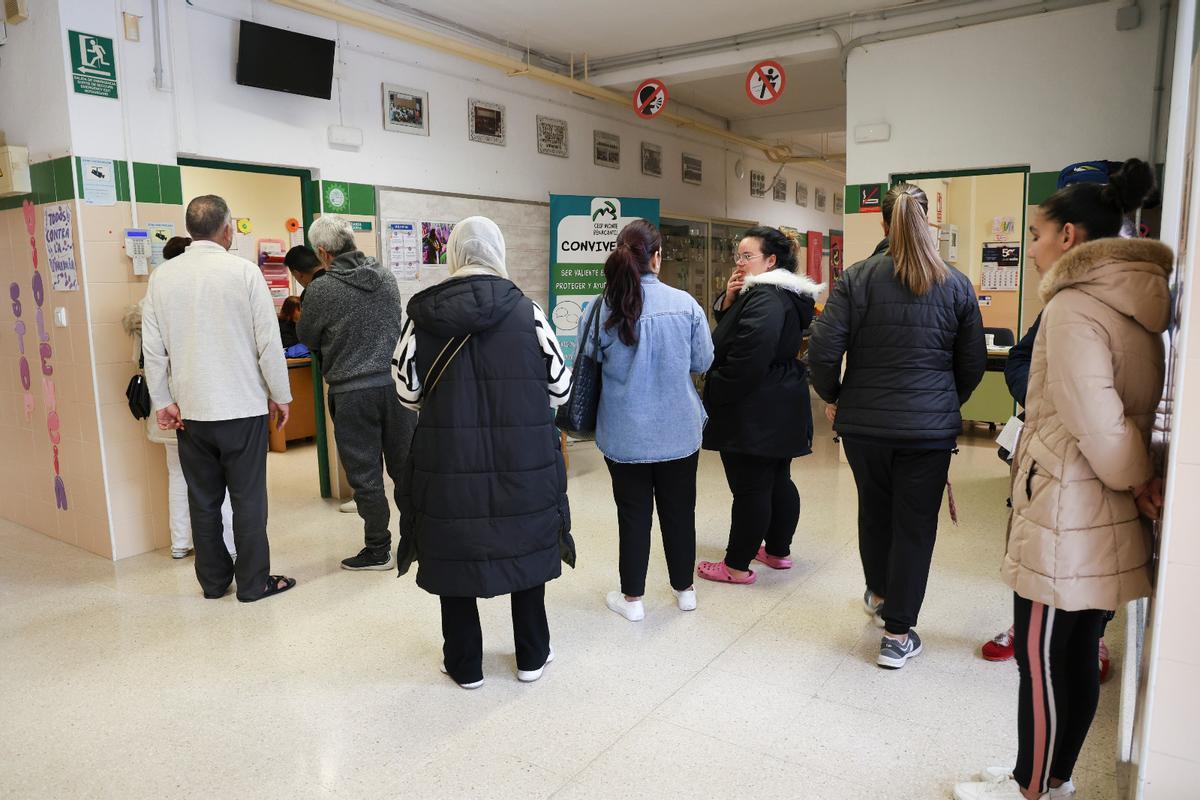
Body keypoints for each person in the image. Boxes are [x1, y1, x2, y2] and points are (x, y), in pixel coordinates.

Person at [954, 160, 1168, 800]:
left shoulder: (1074, 306)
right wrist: (1137, 483)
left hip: (1066, 513)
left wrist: (1137, 479)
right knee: (1074, 654)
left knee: (1040, 658)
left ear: (1069, 236)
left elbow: (1098, 422)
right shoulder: (1130, 299)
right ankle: (1054, 777)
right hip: (1099, 510)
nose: (1033, 247)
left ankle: (1030, 788)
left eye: (1037, 234)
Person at [808, 183, 986, 669]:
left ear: (883, 223)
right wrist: (943, 404)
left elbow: (822, 351)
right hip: (928, 435)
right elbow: (972, 363)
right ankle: (897, 634)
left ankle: (881, 593)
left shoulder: (857, 278)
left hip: (865, 428)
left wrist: (836, 397)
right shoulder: (956, 284)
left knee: (875, 510)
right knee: (915, 525)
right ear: (928, 222)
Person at [392, 216, 572, 689]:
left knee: (454, 551)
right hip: (523, 458)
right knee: (525, 545)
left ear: (453, 254)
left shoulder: (422, 316)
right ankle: (532, 656)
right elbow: (561, 387)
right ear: (498, 252)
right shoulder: (529, 312)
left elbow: (406, 391)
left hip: (448, 457)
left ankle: (464, 665)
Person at [141, 195, 295, 602]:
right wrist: (280, 394)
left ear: (191, 230)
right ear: (227, 229)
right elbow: (268, 341)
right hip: (242, 407)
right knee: (248, 500)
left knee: (203, 500)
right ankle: (253, 583)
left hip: (191, 411)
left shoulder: (162, 277)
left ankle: (212, 582)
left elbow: (153, 348)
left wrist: (163, 401)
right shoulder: (244, 272)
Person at [587, 220, 714, 622]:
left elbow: (590, 361)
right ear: (657, 258)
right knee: (680, 511)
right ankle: (685, 590)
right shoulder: (685, 304)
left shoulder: (600, 307)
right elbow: (703, 361)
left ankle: (633, 599)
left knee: (633, 515)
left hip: (625, 434)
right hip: (679, 430)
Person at [291, 216, 417, 571]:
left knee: (366, 477)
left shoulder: (321, 290)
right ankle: (419, 539)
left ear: (322, 252)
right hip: (396, 388)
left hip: (352, 393)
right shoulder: (385, 277)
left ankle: (378, 549)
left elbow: (306, 336)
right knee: (406, 469)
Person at [697, 226, 821, 586]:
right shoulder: (777, 292)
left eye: (747, 256)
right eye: (738, 255)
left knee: (751, 487)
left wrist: (716, 387)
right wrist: (729, 300)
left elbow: (749, 355)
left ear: (771, 261)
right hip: (778, 398)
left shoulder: (765, 297)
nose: (739, 262)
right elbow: (737, 333)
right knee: (777, 479)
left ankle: (736, 565)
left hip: (756, 404)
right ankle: (777, 551)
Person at [122, 237, 237, 561]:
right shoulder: (191, 298)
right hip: (195, 401)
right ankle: (227, 544)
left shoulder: (147, 303)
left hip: (162, 403)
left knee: (177, 475)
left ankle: (180, 543)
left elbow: (142, 358)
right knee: (217, 477)